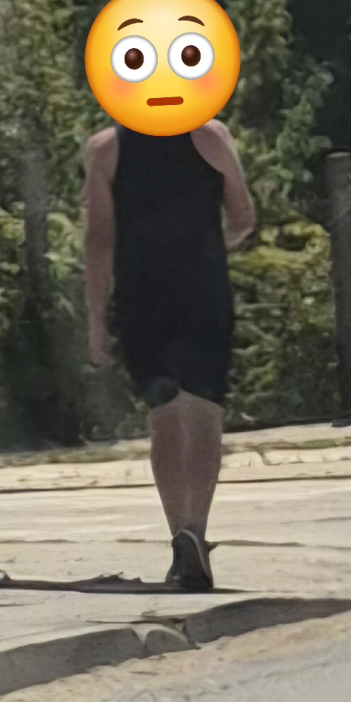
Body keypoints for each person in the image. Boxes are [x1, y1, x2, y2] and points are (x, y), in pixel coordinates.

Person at [84, 117, 255, 591]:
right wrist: (207, 246)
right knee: (203, 411)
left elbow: (99, 241)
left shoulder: (106, 149)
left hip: (140, 297)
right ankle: (195, 530)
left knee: (163, 416)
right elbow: (243, 217)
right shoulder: (211, 136)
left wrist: (96, 321)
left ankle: (179, 535)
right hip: (203, 290)